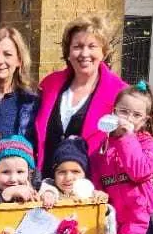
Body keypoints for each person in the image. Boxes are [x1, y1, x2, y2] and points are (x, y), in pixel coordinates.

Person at [30, 17, 129, 178]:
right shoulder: (49, 84)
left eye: (92, 46)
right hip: (45, 186)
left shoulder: (120, 93)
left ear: (103, 52)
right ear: (68, 52)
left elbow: (140, 140)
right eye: (77, 46)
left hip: (92, 188)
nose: (84, 53)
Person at [92, 84, 153, 234]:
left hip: (142, 218)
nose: (129, 118)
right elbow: (98, 180)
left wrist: (126, 137)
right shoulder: (103, 147)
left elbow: (139, 170)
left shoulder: (147, 144)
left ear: (145, 120)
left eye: (136, 114)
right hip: (116, 221)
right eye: (124, 112)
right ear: (113, 112)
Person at [38, 136, 97, 208]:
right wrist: (48, 194)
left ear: (85, 174)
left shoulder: (89, 192)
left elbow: (105, 215)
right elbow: (46, 189)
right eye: (62, 172)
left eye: (75, 171)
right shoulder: (49, 188)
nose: (68, 178)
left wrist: (105, 207)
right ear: (54, 174)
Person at [0, 136, 39, 203]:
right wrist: (4, 195)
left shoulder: (39, 188)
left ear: (30, 172)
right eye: (5, 172)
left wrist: (49, 194)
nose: (13, 179)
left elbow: (50, 188)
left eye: (20, 172)